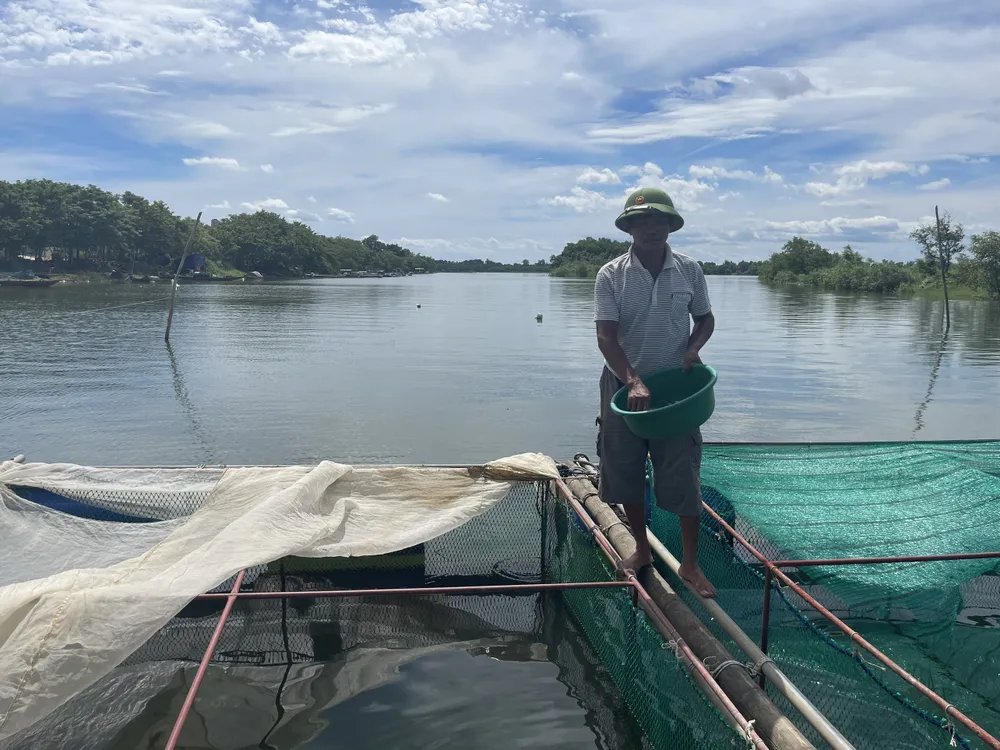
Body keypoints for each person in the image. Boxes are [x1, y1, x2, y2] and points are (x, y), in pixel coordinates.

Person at [594, 187, 717, 598]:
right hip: (622, 385)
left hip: (674, 390)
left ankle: (690, 564)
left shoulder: (689, 270)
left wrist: (693, 349)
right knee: (625, 470)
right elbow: (606, 336)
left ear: (670, 225)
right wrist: (633, 379)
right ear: (629, 227)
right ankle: (642, 550)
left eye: (659, 220)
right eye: (642, 220)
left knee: (683, 473)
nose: (652, 227)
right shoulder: (611, 274)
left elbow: (704, 319)